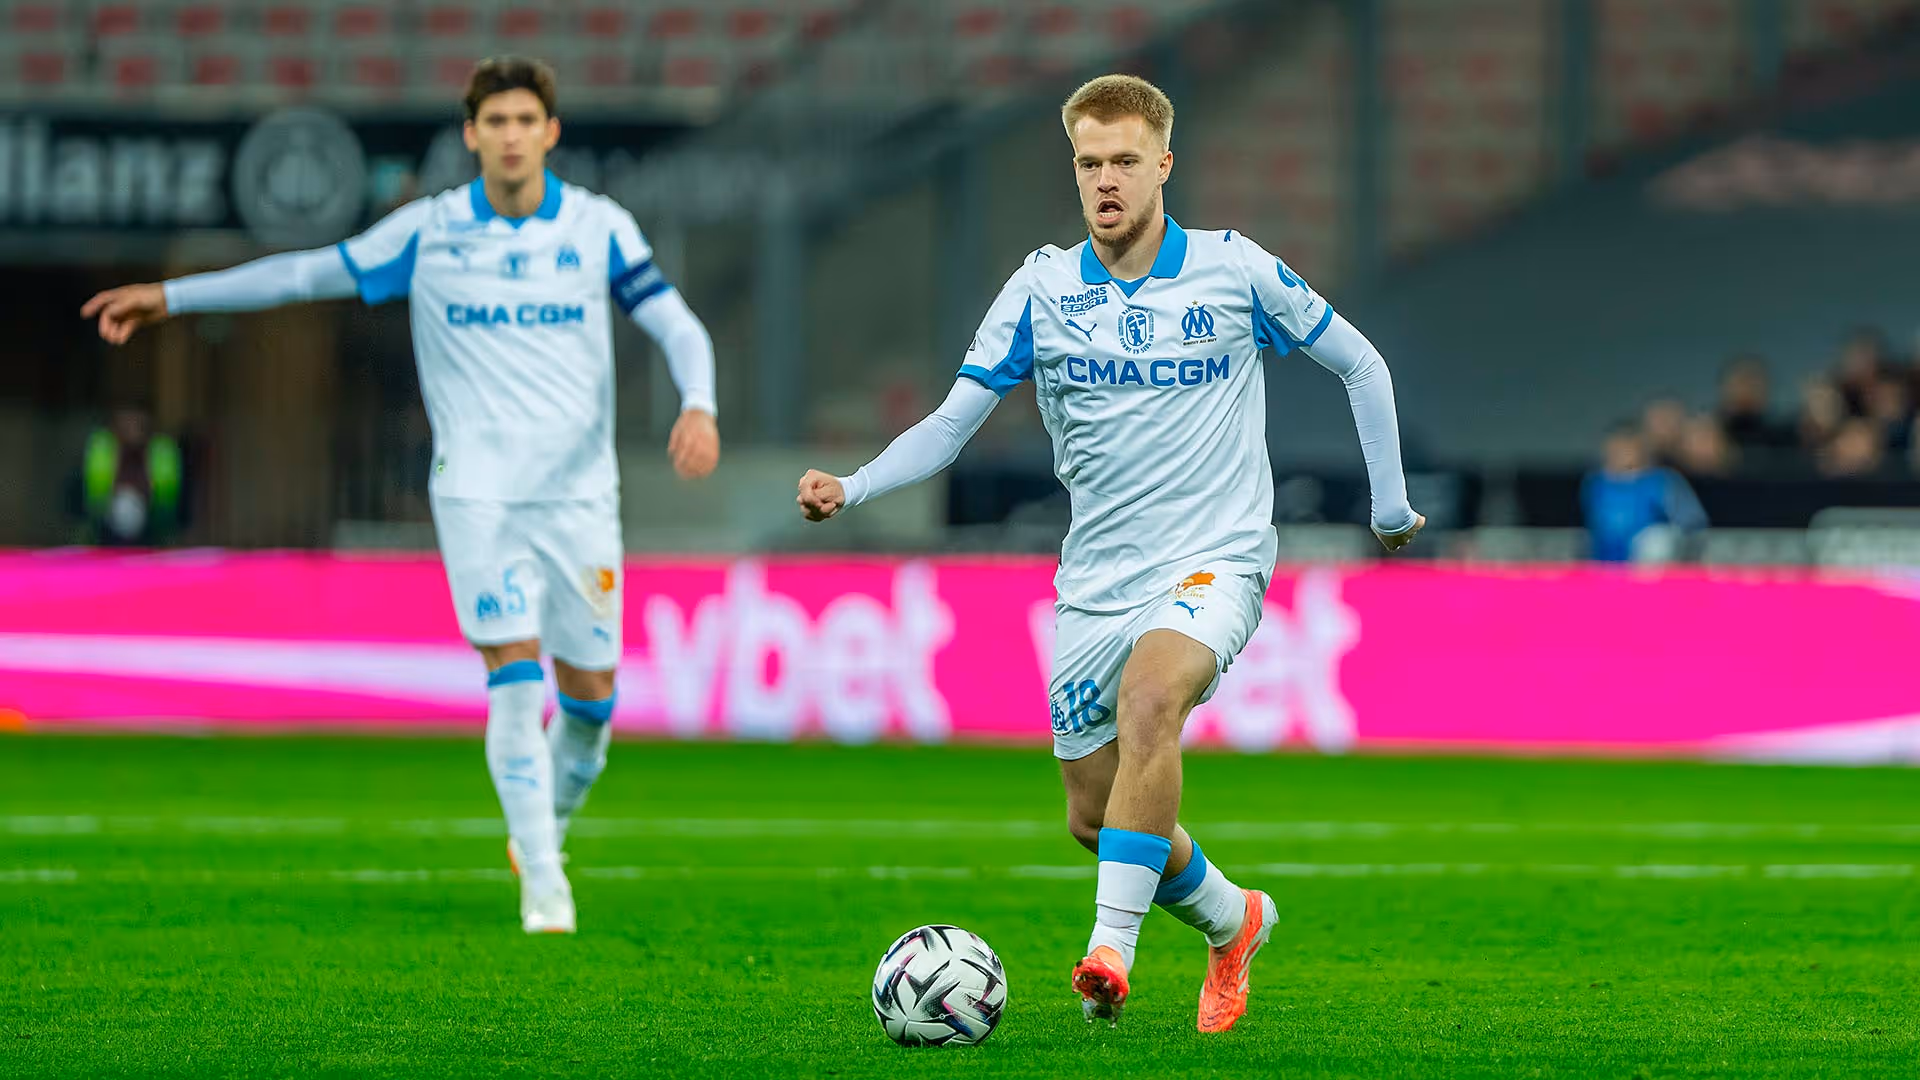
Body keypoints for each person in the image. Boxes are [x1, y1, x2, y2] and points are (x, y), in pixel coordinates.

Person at [795, 74, 1422, 1032]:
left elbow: (1361, 364)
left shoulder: (1234, 270)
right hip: (1095, 581)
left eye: (1125, 161)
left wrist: (1390, 507)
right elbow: (952, 423)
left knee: (1151, 701)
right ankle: (1235, 921)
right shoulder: (1040, 290)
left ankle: (1109, 954)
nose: (1106, 181)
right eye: (1089, 164)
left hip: (1216, 556)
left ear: (1164, 164)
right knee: (1096, 817)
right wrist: (856, 484)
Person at [80, 58, 719, 935]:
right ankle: (545, 883)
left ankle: (543, 827)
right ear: (471, 135)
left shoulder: (599, 227)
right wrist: (174, 296)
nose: (510, 136)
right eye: (494, 121)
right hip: (478, 493)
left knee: (591, 706)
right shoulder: (430, 231)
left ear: (550, 132)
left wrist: (699, 404)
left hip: (578, 498)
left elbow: (677, 323)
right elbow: (306, 275)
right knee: (512, 675)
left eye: (524, 120)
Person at [1581, 424, 1706, 562]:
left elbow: (1693, 524)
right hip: (1603, 562)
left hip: (1652, 566)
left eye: (1626, 448)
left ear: (1640, 449)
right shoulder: (1595, 483)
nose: (1620, 454)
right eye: (1615, 449)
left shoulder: (1662, 481)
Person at [76, 406, 185, 546]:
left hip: (150, 533)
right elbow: (82, 502)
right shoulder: (101, 450)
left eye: (138, 423)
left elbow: (173, 506)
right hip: (106, 533)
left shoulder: (161, 452)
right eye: (127, 422)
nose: (132, 428)